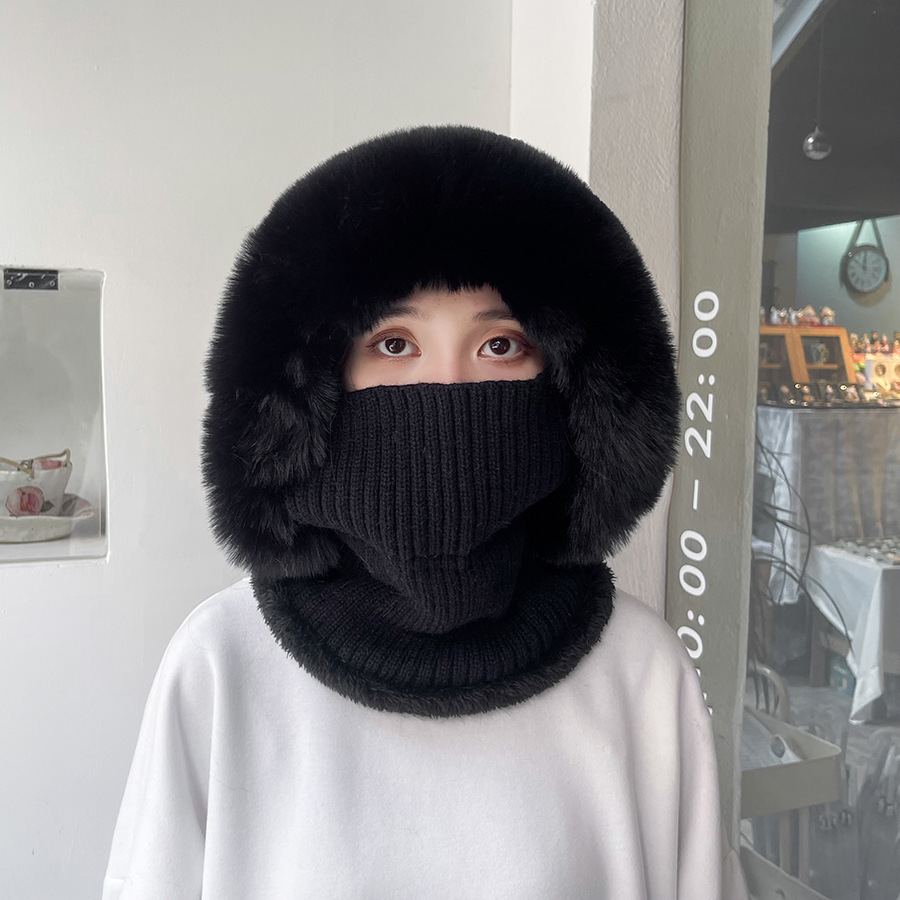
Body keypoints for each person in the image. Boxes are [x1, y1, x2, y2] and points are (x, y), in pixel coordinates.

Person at [103, 125, 748, 898]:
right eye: (394, 343)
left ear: (574, 383)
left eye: (501, 345)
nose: (448, 387)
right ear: (312, 385)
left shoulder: (640, 673)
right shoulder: (222, 666)